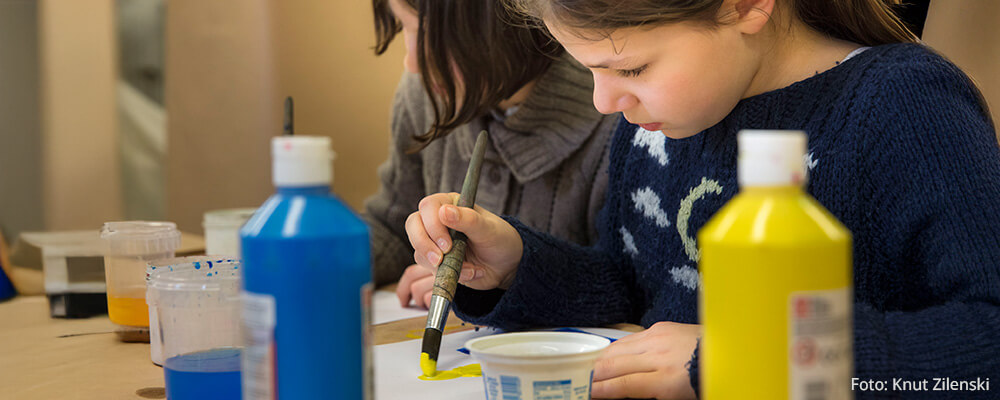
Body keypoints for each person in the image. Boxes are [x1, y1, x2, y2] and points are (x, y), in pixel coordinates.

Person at [403, 0, 1000, 398]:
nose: (603, 101)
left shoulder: (906, 104)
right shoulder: (655, 125)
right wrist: (514, 268)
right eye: (588, 70)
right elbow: (635, 286)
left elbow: (986, 343)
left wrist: (747, 363)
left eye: (631, 68)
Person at [364, 0, 619, 308]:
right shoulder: (424, 95)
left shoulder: (623, 112)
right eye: (403, 27)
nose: (412, 63)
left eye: (429, 34)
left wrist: (487, 283)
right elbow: (391, 227)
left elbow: (623, 283)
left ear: (506, 24)